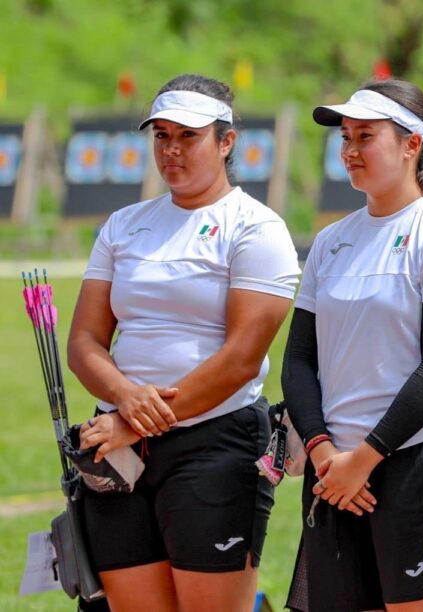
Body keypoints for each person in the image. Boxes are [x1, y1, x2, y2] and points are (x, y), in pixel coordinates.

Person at [67, 74, 301, 612]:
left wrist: (133, 418)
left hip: (215, 444)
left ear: (226, 142)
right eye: (161, 136)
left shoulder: (256, 228)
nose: (171, 150)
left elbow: (241, 360)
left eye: (188, 137)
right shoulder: (124, 225)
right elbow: (84, 341)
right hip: (118, 444)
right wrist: (124, 399)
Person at [281, 79, 423, 611]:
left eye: (364, 136)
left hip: (414, 459)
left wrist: (364, 459)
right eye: (345, 137)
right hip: (333, 470)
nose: (349, 150)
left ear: (412, 144)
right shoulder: (331, 241)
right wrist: (324, 451)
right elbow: (299, 362)